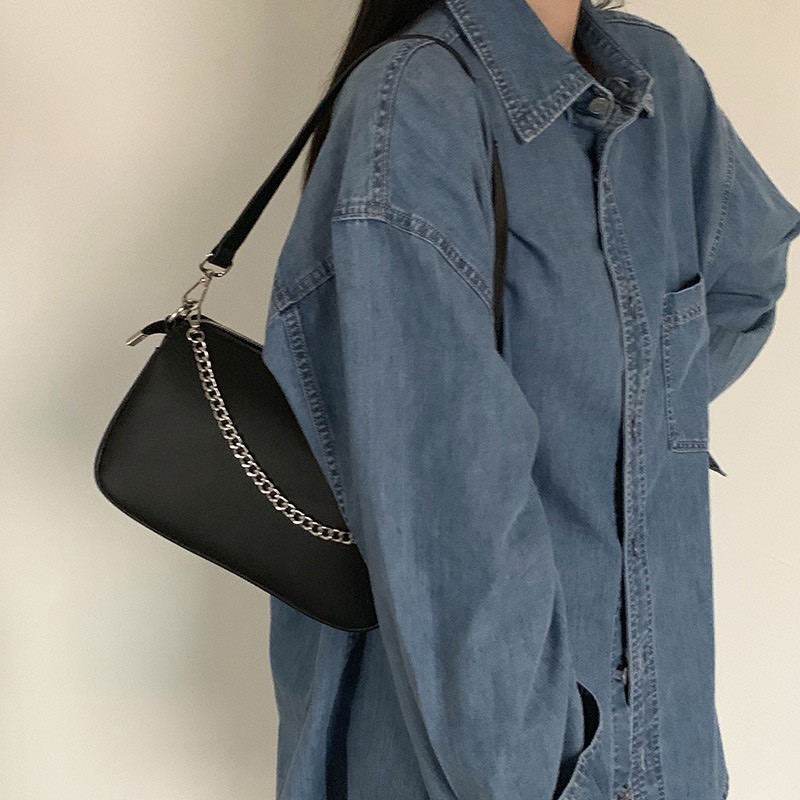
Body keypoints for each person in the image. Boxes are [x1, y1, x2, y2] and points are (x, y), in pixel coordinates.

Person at [261, 1, 800, 798]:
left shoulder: (660, 83)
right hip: (493, 770)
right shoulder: (418, 102)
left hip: (671, 752)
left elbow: (745, 280)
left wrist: (630, 429)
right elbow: (447, 527)